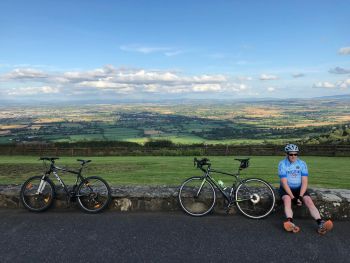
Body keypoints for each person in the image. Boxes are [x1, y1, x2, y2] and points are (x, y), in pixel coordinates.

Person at [278, 144, 333, 234]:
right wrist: (293, 198)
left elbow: (304, 182)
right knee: (287, 200)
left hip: (300, 188)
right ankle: (290, 222)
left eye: (295, 154)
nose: (293, 156)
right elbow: (284, 182)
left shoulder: (302, 164)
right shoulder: (282, 164)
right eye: (291, 154)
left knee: (308, 200)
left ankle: (320, 223)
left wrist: (300, 197)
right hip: (286, 188)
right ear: (287, 154)